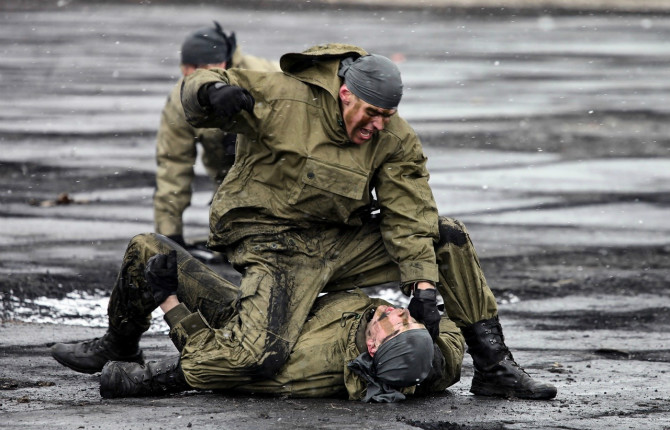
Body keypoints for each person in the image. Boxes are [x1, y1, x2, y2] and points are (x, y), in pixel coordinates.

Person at [52, 43, 557, 400]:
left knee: (446, 233)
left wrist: (423, 284)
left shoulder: (394, 136)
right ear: (345, 94)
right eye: (372, 112)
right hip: (274, 243)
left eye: (388, 115)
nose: (378, 124)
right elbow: (201, 82)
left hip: (339, 241)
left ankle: (495, 368)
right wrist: (211, 96)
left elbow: (409, 211)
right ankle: (119, 343)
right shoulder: (284, 96)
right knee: (257, 356)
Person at [54, 233, 464, 402]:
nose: (394, 311)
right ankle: (120, 342)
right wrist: (424, 316)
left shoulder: (310, 357)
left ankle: (120, 346)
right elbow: (448, 340)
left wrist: (169, 301)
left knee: (148, 248)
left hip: (234, 332)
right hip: (274, 309)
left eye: (395, 323)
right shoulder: (429, 362)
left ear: (372, 347)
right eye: (405, 320)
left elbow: (215, 361)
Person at [153, 21, 278, 251]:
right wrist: (170, 235)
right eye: (186, 69)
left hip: (279, 175)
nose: (190, 76)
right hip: (229, 184)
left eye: (199, 69)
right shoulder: (180, 102)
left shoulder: (266, 77)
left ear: (222, 62)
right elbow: (173, 165)